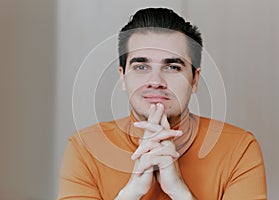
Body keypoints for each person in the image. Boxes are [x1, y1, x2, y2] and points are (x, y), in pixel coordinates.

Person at [58, 8, 267, 200]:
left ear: (194, 79)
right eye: (141, 66)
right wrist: (132, 192)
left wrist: (179, 190)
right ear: (122, 77)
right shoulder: (85, 148)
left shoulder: (239, 148)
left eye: (172, 67)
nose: (156, 81)